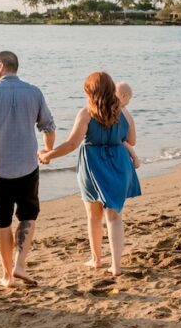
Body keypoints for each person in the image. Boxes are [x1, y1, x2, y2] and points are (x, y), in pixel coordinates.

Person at [39, 71, 141, 277]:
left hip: (93, 165)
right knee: (114, 217)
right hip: (118, 164)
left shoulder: (86, 113)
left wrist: (48, 155)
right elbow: (131, 140)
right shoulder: (123, 113)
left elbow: (71, 144)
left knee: (93, 216)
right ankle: (116, 266)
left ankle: (96, 260)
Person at [0, 51, 56, 288]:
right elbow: (48, 126)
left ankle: (7, 275)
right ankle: (19, 265)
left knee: (2, 221)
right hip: (28, 165)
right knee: (28, 215)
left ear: (0, 66)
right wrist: (47, 152)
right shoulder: (34, 92)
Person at [115, 82, 141, 169]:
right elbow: (132, 142)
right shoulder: (127, 115)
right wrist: (135, 157)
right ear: (123, 96)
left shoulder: (103, 110)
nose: (128, 103)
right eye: (129, 99)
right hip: (122, 156)